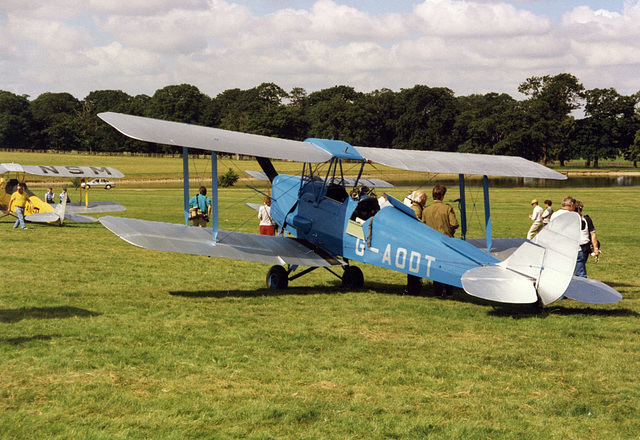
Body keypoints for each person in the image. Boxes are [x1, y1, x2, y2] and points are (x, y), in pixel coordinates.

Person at [421, 184, 459, 297]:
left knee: (435, 267)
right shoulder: (447, 208)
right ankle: (449, 292)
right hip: (446, 241)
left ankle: (437, 292)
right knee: (448, 267)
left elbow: (423, 225)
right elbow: (454, 224)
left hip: (432, 242)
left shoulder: (426, 210)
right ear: (442, 196)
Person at [574, 201, 600, 278]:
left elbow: (593, 234)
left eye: (579, 209)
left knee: (580, 268)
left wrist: (595, 248)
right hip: (572, 246)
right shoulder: (569, 219)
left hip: (584, 247)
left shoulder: (586, 219)